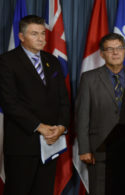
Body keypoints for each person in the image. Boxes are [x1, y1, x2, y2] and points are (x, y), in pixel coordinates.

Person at [0, 15, 70, 195]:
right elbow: (9, 103)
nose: (41, 38)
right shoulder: (6, 61)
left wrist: (61, 126)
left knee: (44, 191)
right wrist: (39, 126)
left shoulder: (52, 61)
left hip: (51, 142)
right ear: (21, 37)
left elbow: (63, 98)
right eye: (34, 34)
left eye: (42, 34)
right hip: (23, 143)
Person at [75, 32, 125, 195]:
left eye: (119, 48)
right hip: (100, 149)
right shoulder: (89, 78)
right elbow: (82, 116)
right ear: (102, 54)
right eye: (110, 49)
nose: (115, 52)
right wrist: (84, 149)